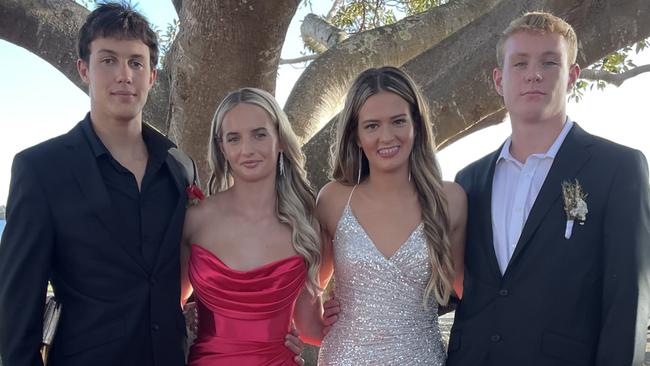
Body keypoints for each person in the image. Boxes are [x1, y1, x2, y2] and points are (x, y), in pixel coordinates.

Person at [0, 4, 303, 366]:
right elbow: (17, 310)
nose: (124, 75)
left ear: (153, 76)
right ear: (84, 69)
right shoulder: (41, 170)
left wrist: (268, 335)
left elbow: (199, 273)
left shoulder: (180, 168)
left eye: (136, 63)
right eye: (108, 60)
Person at [447, 12, 650, 366]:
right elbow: (455, 284)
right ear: (499, 80)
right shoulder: (469, 180)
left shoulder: (618, 168)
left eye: (549, 62)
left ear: (572, 76)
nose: (533, 74)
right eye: (520, 63)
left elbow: (627, 300)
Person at [316, 66, 466, 365]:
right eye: (371, 126)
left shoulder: (449, 200)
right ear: (356, 135)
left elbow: (469, 293)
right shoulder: (333, 199)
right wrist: (316, 317)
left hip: (421, 358)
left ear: (416, 126)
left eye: (398, 121)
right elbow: (307, 287)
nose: (386, 136)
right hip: (345, 357)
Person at [180, 87, 325, 365]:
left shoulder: (306, 227)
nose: (247, 150)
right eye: (234, 139)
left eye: (259, 134)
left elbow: (310, 329)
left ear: (280, 140)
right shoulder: (195, 220)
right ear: (222, 147)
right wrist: (185, 317)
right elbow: (164, 310)